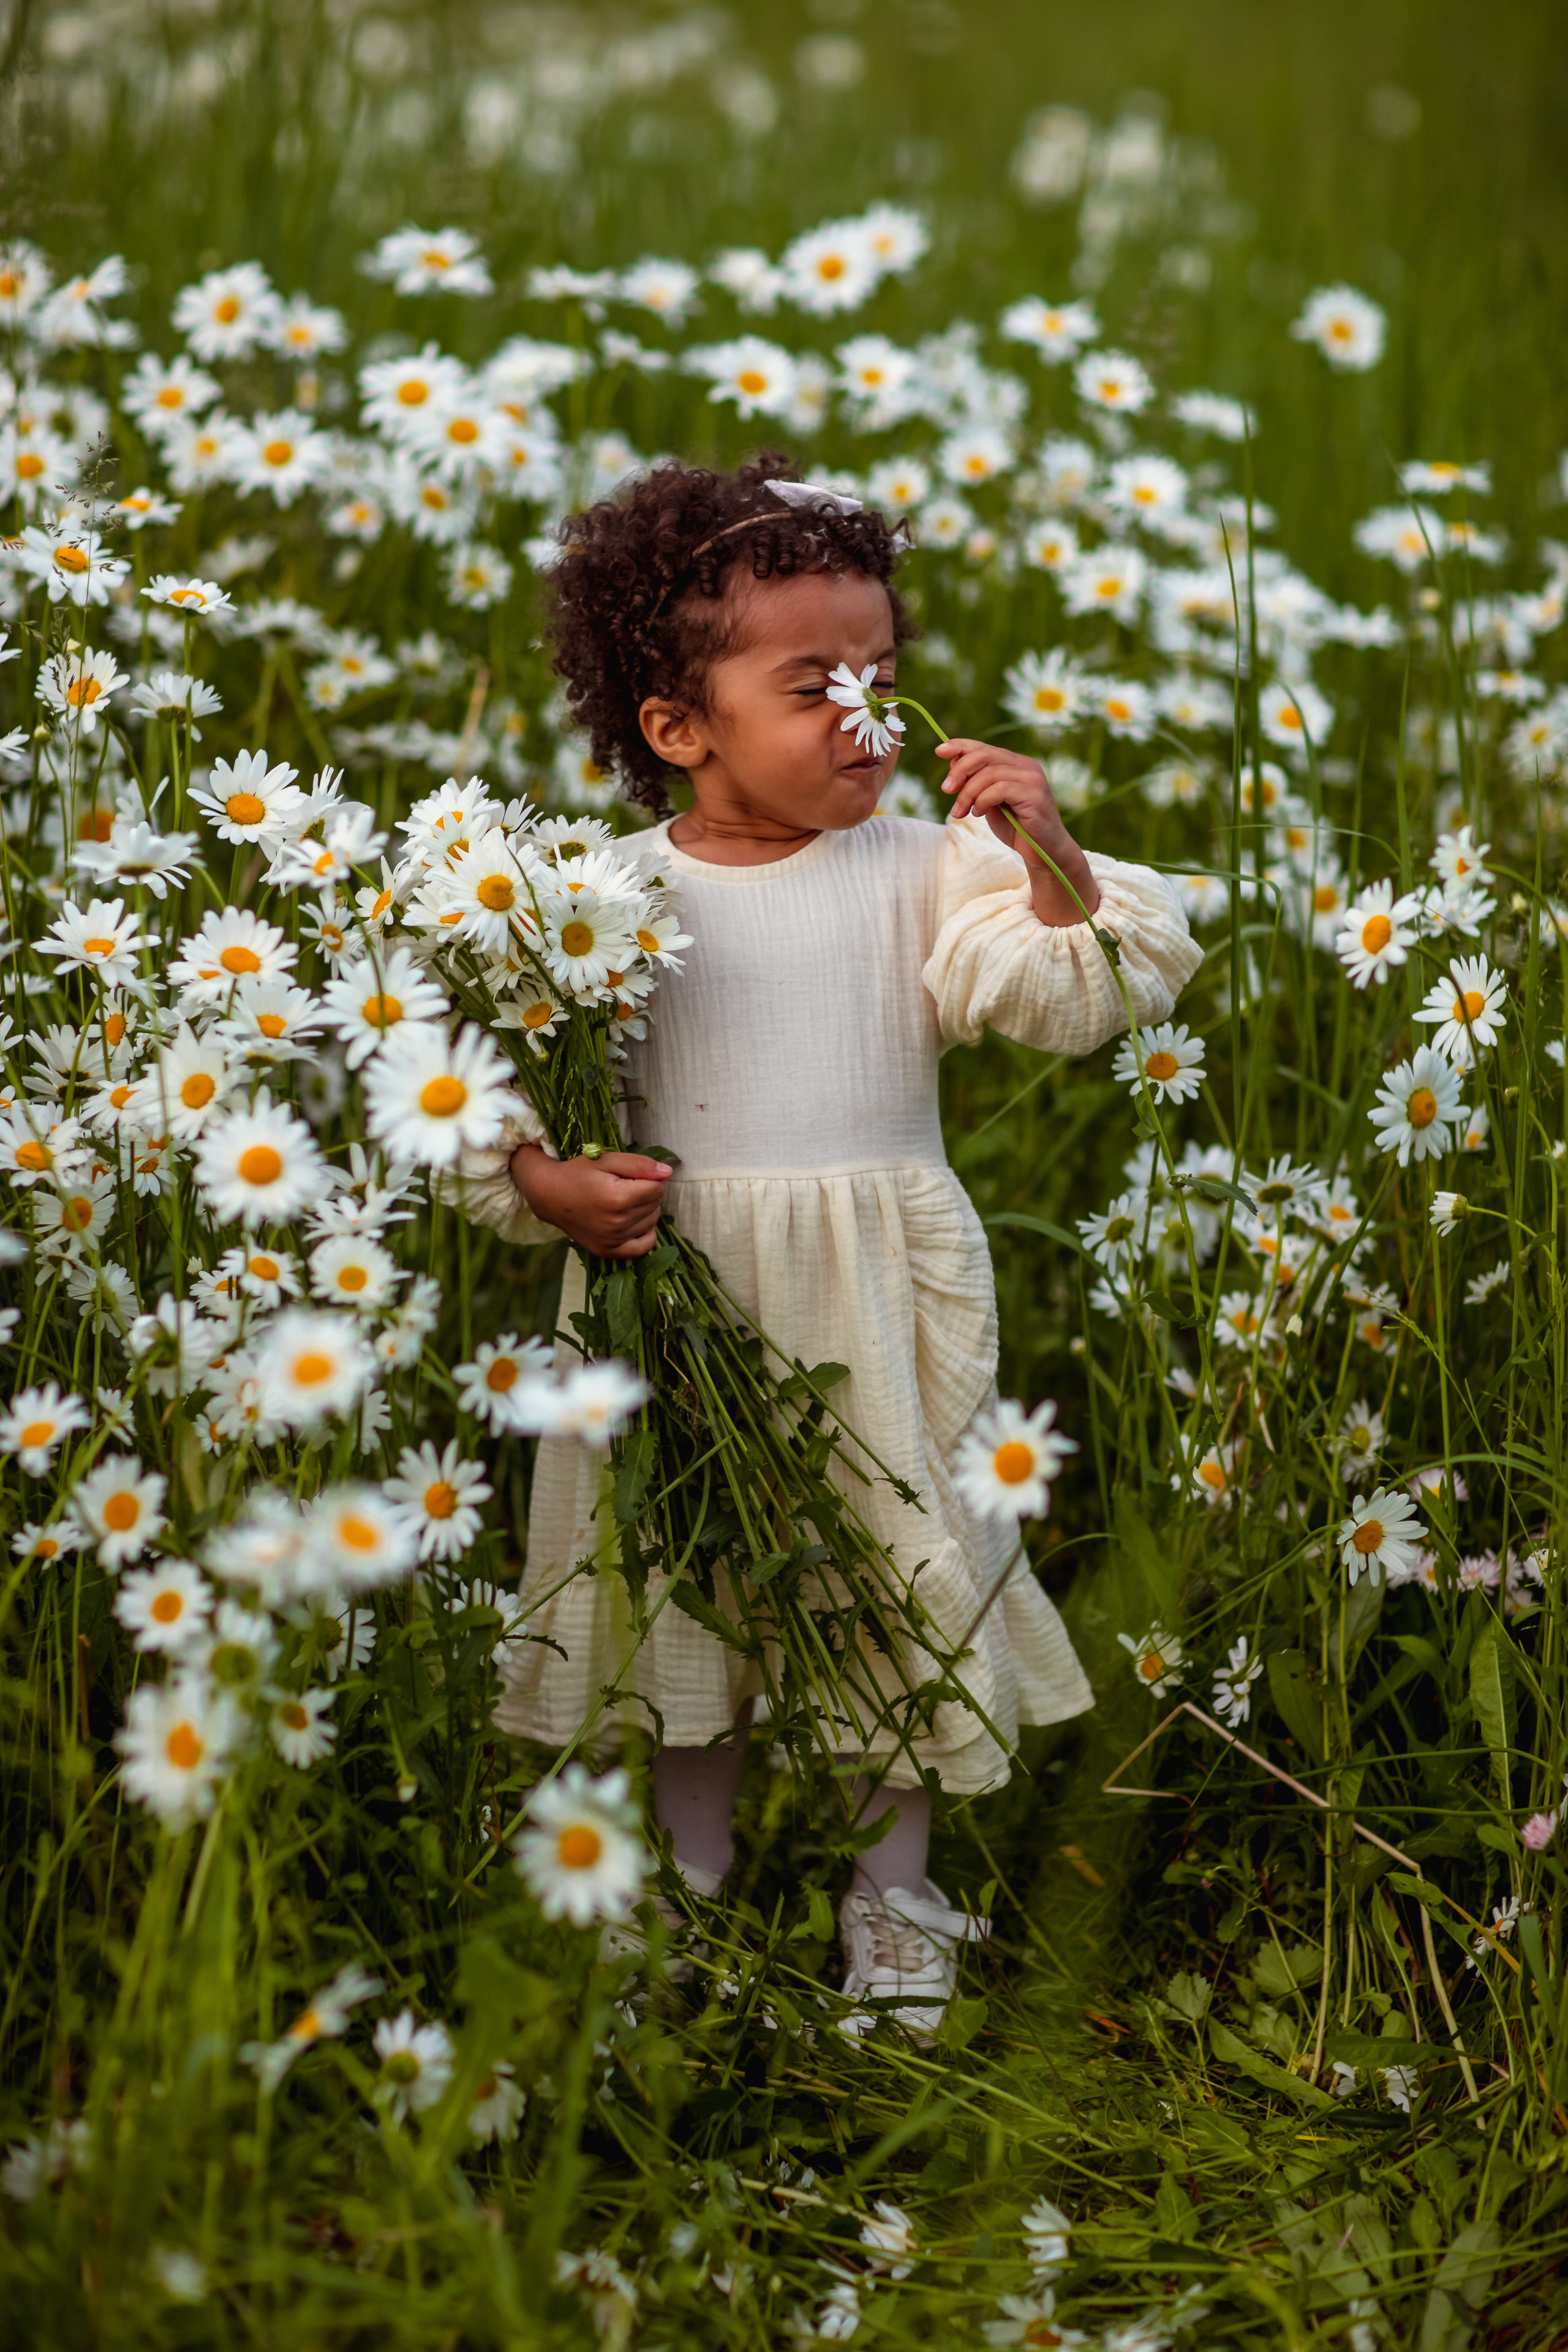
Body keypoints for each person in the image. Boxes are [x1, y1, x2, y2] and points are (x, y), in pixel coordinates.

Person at [450, 453, 1200, 2037]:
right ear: (680, 729)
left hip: (871, 1304)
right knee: (683, 1574)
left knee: (888, 1573)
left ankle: (895, 1896)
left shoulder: (926, 866)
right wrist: (545, 1183)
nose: (870, 716)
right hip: (672, 1303)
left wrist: (1052, 853)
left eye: (883, 676)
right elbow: (488, 1091)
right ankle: (686, 1883)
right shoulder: (593, 899)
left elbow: (1078, 996)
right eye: (816, 687)